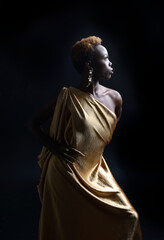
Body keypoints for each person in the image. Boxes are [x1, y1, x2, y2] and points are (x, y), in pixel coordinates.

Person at [28, 36, 142, 240]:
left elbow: (102, 137)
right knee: (69, 230)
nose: (110, 62)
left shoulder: (115, 99)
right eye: (105, 58)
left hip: (95, 170)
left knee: (128, 216)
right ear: (90, 65)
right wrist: (55, 147)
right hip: (64, 173)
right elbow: (33, 123)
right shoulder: (67, 97)